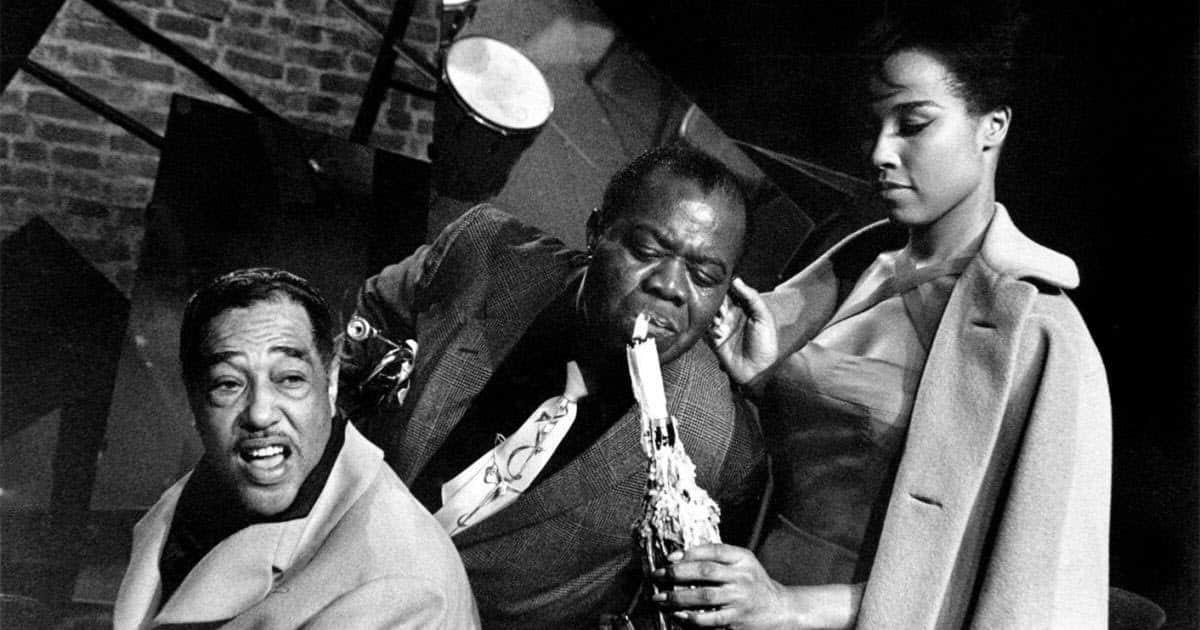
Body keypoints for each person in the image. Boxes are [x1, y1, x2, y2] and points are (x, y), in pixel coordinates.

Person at [655, 9, 1111, 629]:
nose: (880, 152)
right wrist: (764, 381)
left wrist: (788, 606)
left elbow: (1020, 592)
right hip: (737, 600)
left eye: (914, 124)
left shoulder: (1039, 334)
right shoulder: (853, 263)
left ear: (992, 126)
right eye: (876, 125)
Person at [337, 144, 768, 629]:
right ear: (596, 231)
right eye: (647, 252)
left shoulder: (718, 442)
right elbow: (361, 329)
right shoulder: (484, 254)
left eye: (704, 276)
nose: (669, 286)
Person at [113, 268, 480, 629]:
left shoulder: (400, 588)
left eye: (289, 379)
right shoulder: (200, 493)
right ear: (193, 399)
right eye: (228, 384)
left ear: (331, 379)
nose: (260, 414)